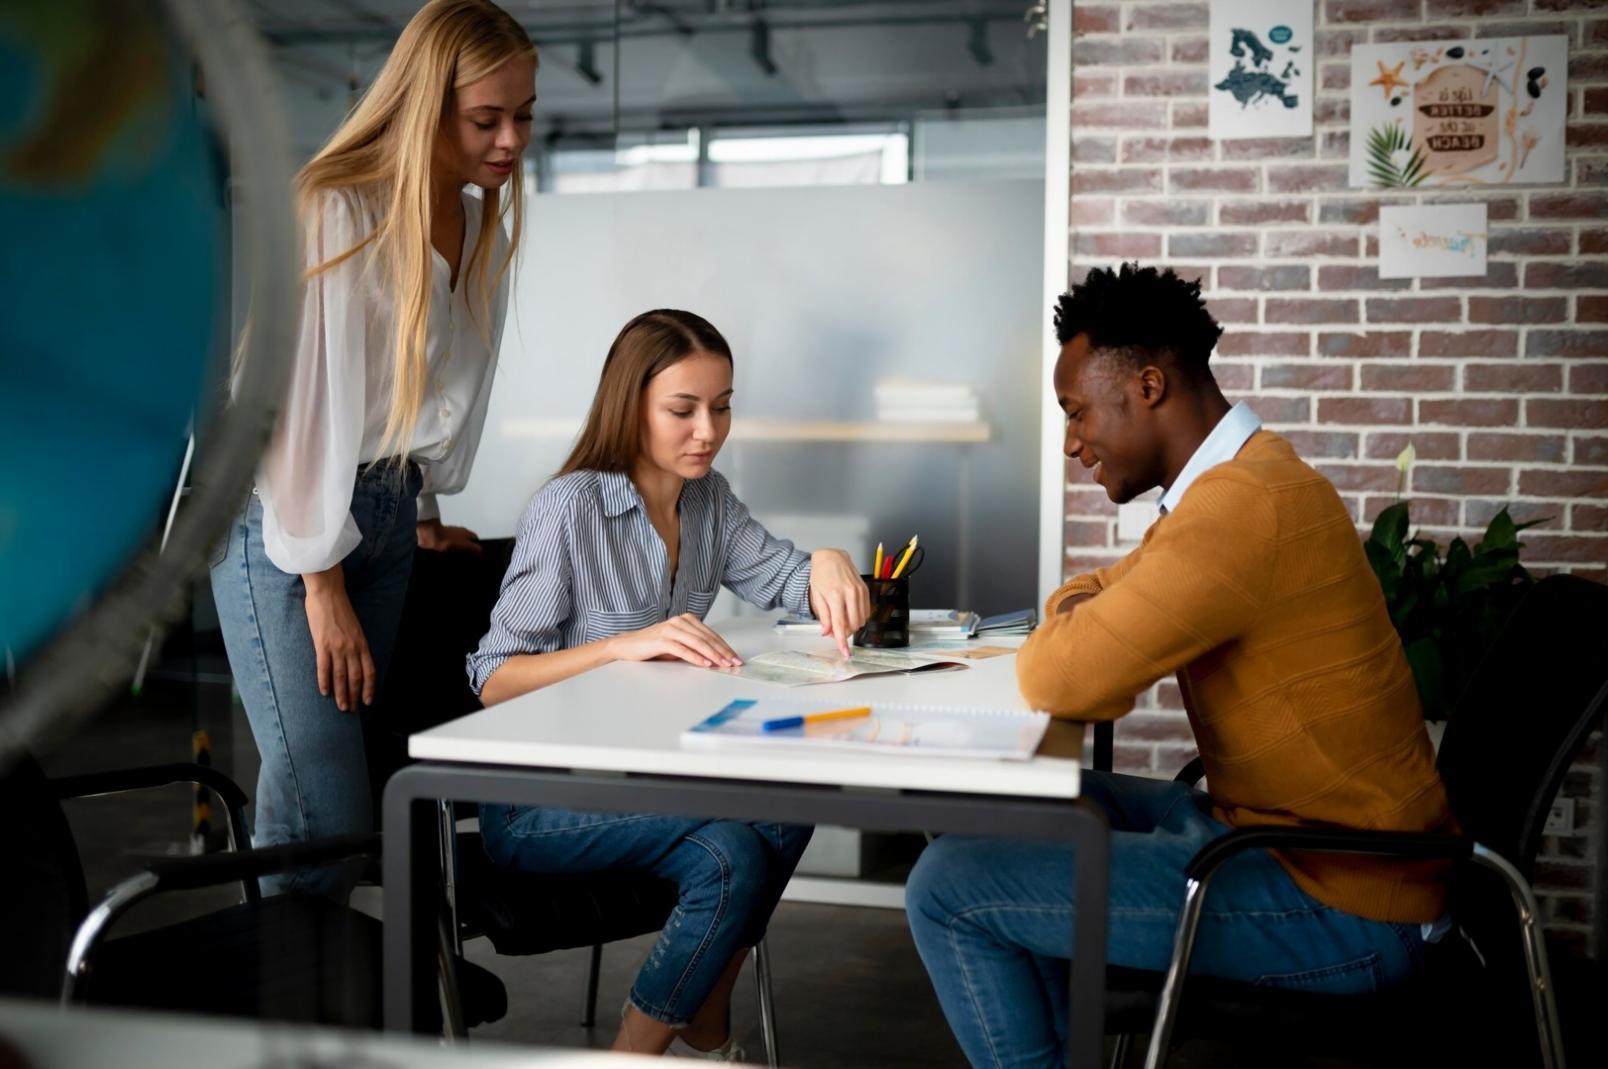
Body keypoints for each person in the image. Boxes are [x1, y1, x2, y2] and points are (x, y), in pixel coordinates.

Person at [904, 263, 1454, 1068]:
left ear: (1149, 386)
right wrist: (1076, 614)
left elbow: (1065, 676)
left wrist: (1072, 622)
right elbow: (1093, 595)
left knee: (946, 886)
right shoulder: (1242, 482)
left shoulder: (1242, 507)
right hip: (1277, 840)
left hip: (1343, 896)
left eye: (1077, 411)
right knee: (1006, 804)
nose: (1071, 442)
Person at [467, 308, 868, 1058]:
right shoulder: (570, 508)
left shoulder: (708, 500)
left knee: (774, 821)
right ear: (632, 406)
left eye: (722, 406)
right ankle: (655, 1043)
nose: (708, 431)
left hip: (646, 779)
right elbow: (494, 677)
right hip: (539, 803)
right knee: (748, 836)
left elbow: (788, 581)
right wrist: (620, 647)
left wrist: (828, 560)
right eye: (683, 410)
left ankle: (700, 1010)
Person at [211, 0, 536, 898]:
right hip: (287, 522)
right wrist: (320, 581)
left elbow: (412, 392)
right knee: (335, 814)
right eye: (486, 118)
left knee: (308, 800)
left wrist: (420, 509)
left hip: (386, 516)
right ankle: (299, 977)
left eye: (524, 115)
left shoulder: (475, 222)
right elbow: (299, 406)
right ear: (427, 105)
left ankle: (285, 975)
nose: (512, 140)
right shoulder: (338, 205)